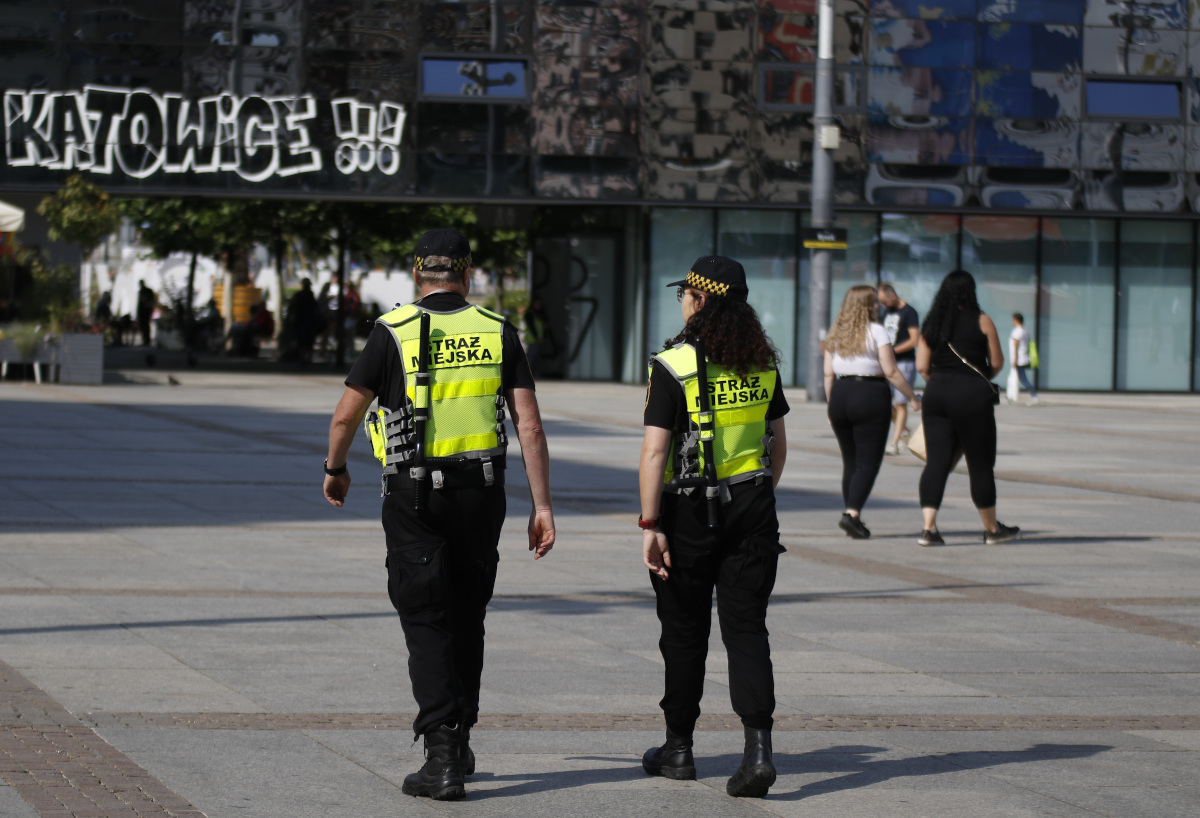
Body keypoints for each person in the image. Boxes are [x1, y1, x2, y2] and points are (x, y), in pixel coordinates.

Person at [322, 228, 555, 802]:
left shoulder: (392, 331)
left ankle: (442, 757)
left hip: (415, 498)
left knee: (426, 616)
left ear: (417, 275)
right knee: (468, 612)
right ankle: (463, 734)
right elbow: (528, 424)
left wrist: (336, 468)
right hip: (483, 494)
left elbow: (345, 416)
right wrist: (542, 504)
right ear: (467, 274)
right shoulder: (498, 331)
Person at [639, 255, 789, 799]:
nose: (680, 300)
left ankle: (678, 748)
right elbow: (778, 444)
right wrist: (756, 496)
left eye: (685, 294)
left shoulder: (672, 364)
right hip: (752, 506)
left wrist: (649, 523)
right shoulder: (762, 364)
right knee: (747, 630)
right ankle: (758, 753)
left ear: (700, 301)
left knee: (683, 633)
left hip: (687, 512)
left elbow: (655, 452)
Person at [915, 270, 1019, 546]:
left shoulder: (932, 323)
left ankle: (929, 529)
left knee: (936, 462)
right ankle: (992, 530)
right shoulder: (982, 320)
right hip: (973, 395)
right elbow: (996, 362)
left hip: (936, 393)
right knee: (980, 464)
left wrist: (939, 382)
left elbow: (922, 366)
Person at [824, 286, 921, 539]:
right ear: (870, 306)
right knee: (868, 461)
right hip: (869, 395)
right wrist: (912, 397)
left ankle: (851, 513)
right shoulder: (877, 331)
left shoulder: (836, 333)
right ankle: (852, 514)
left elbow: (827, 374)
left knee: (851, 461)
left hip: (841, 394)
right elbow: (891, 371)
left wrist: (830, 403)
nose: (878, 305)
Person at [877, 283, 920, 454]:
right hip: (887, 363)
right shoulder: (886, 312)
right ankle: (904, 431)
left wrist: (892, 350)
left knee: (901, 403)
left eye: (885, 302)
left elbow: (914, 340)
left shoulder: (909, 312)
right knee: (884, 403)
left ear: (893, 296)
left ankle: (894, 443)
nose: (883, 306)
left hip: (904, 362)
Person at [1010, 313, 1039, 405]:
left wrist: (1015, 359)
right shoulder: (1025, 331)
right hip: (1024, 357)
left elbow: (1015, 345)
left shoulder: (1017, 332)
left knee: (1023, 379)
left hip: (1020, 359)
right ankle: (1009, 397)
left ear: (1015, 320)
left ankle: (1034, 396)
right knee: (1015, 378)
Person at [136, 280, 156, 346]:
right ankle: (146, 340)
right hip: (145, 311)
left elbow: (140, 304)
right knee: (145, 326)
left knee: (145, 326)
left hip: (145, 311)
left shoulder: (145, 291)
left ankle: (146, 340)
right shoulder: (146, 291)